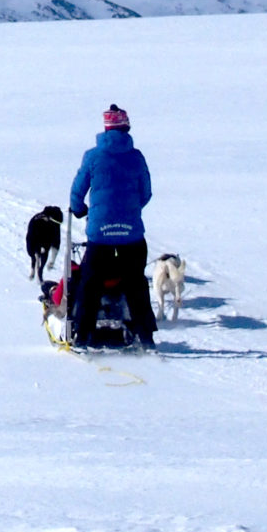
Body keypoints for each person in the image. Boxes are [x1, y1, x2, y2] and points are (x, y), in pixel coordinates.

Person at [66, 104, 156, 350]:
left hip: (100, 235)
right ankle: (146, 337)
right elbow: (146, 192)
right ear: (126, 127)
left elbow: (77, 192)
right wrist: (130, 211)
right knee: (136, 284)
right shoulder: (136, 157)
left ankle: (82, 336)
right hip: (132, 236)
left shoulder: (92, 156)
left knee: (90, 284)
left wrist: (80, 209)